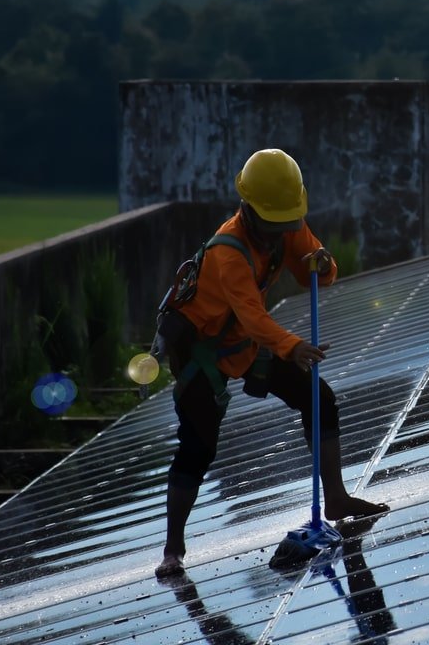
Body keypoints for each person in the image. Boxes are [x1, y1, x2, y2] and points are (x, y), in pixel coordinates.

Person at [154, 148, 387, 578]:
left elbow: (318, 270)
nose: (282, 231)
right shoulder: (228, 252)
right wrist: (291, 346)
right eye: (273, 223)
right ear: (249, 208)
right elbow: (252, 316)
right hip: (202, 355)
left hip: (246, 344)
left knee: (317, 397)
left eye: (287, 223)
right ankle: (173, 549)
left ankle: (336, 498)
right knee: (198, 446)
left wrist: (323, 265)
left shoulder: (286, 224)